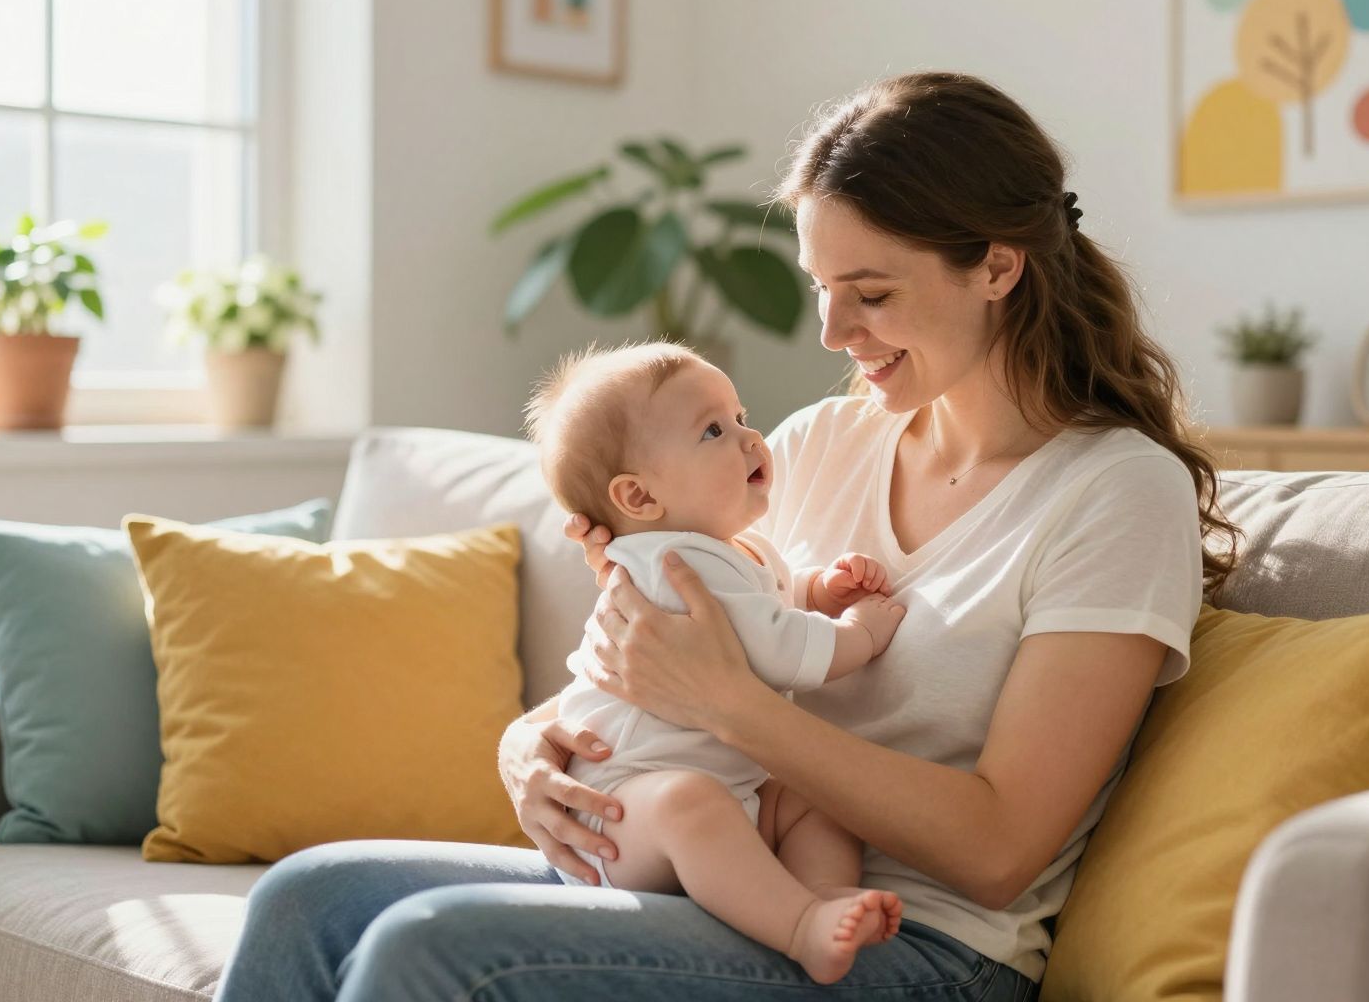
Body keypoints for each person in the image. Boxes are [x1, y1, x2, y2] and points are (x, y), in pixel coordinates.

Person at [213, 71, 1241, 1002]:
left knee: (437, 948)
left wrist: (733, 706)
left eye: (871, 293)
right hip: (720, 872)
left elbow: (999, 847)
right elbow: (681, 647)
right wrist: (535, 747)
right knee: (308, 897)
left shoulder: (1114, 492)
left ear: (998, 268)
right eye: (820, 289)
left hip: (922, 948)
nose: (833, 334)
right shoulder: (821, 442)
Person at [521, 340, 909, 983]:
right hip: (622, 811)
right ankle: (799, 925)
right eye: (712, 430)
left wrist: (817, 589)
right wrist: (859, 631)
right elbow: (782, 649)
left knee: (818, 798)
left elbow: (768, 603)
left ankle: (820, 894)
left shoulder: (724, 550)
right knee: (689, 801)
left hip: (730, 796)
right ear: (639, 498)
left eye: (739, 416)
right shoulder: (679, 565)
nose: (749, 438)